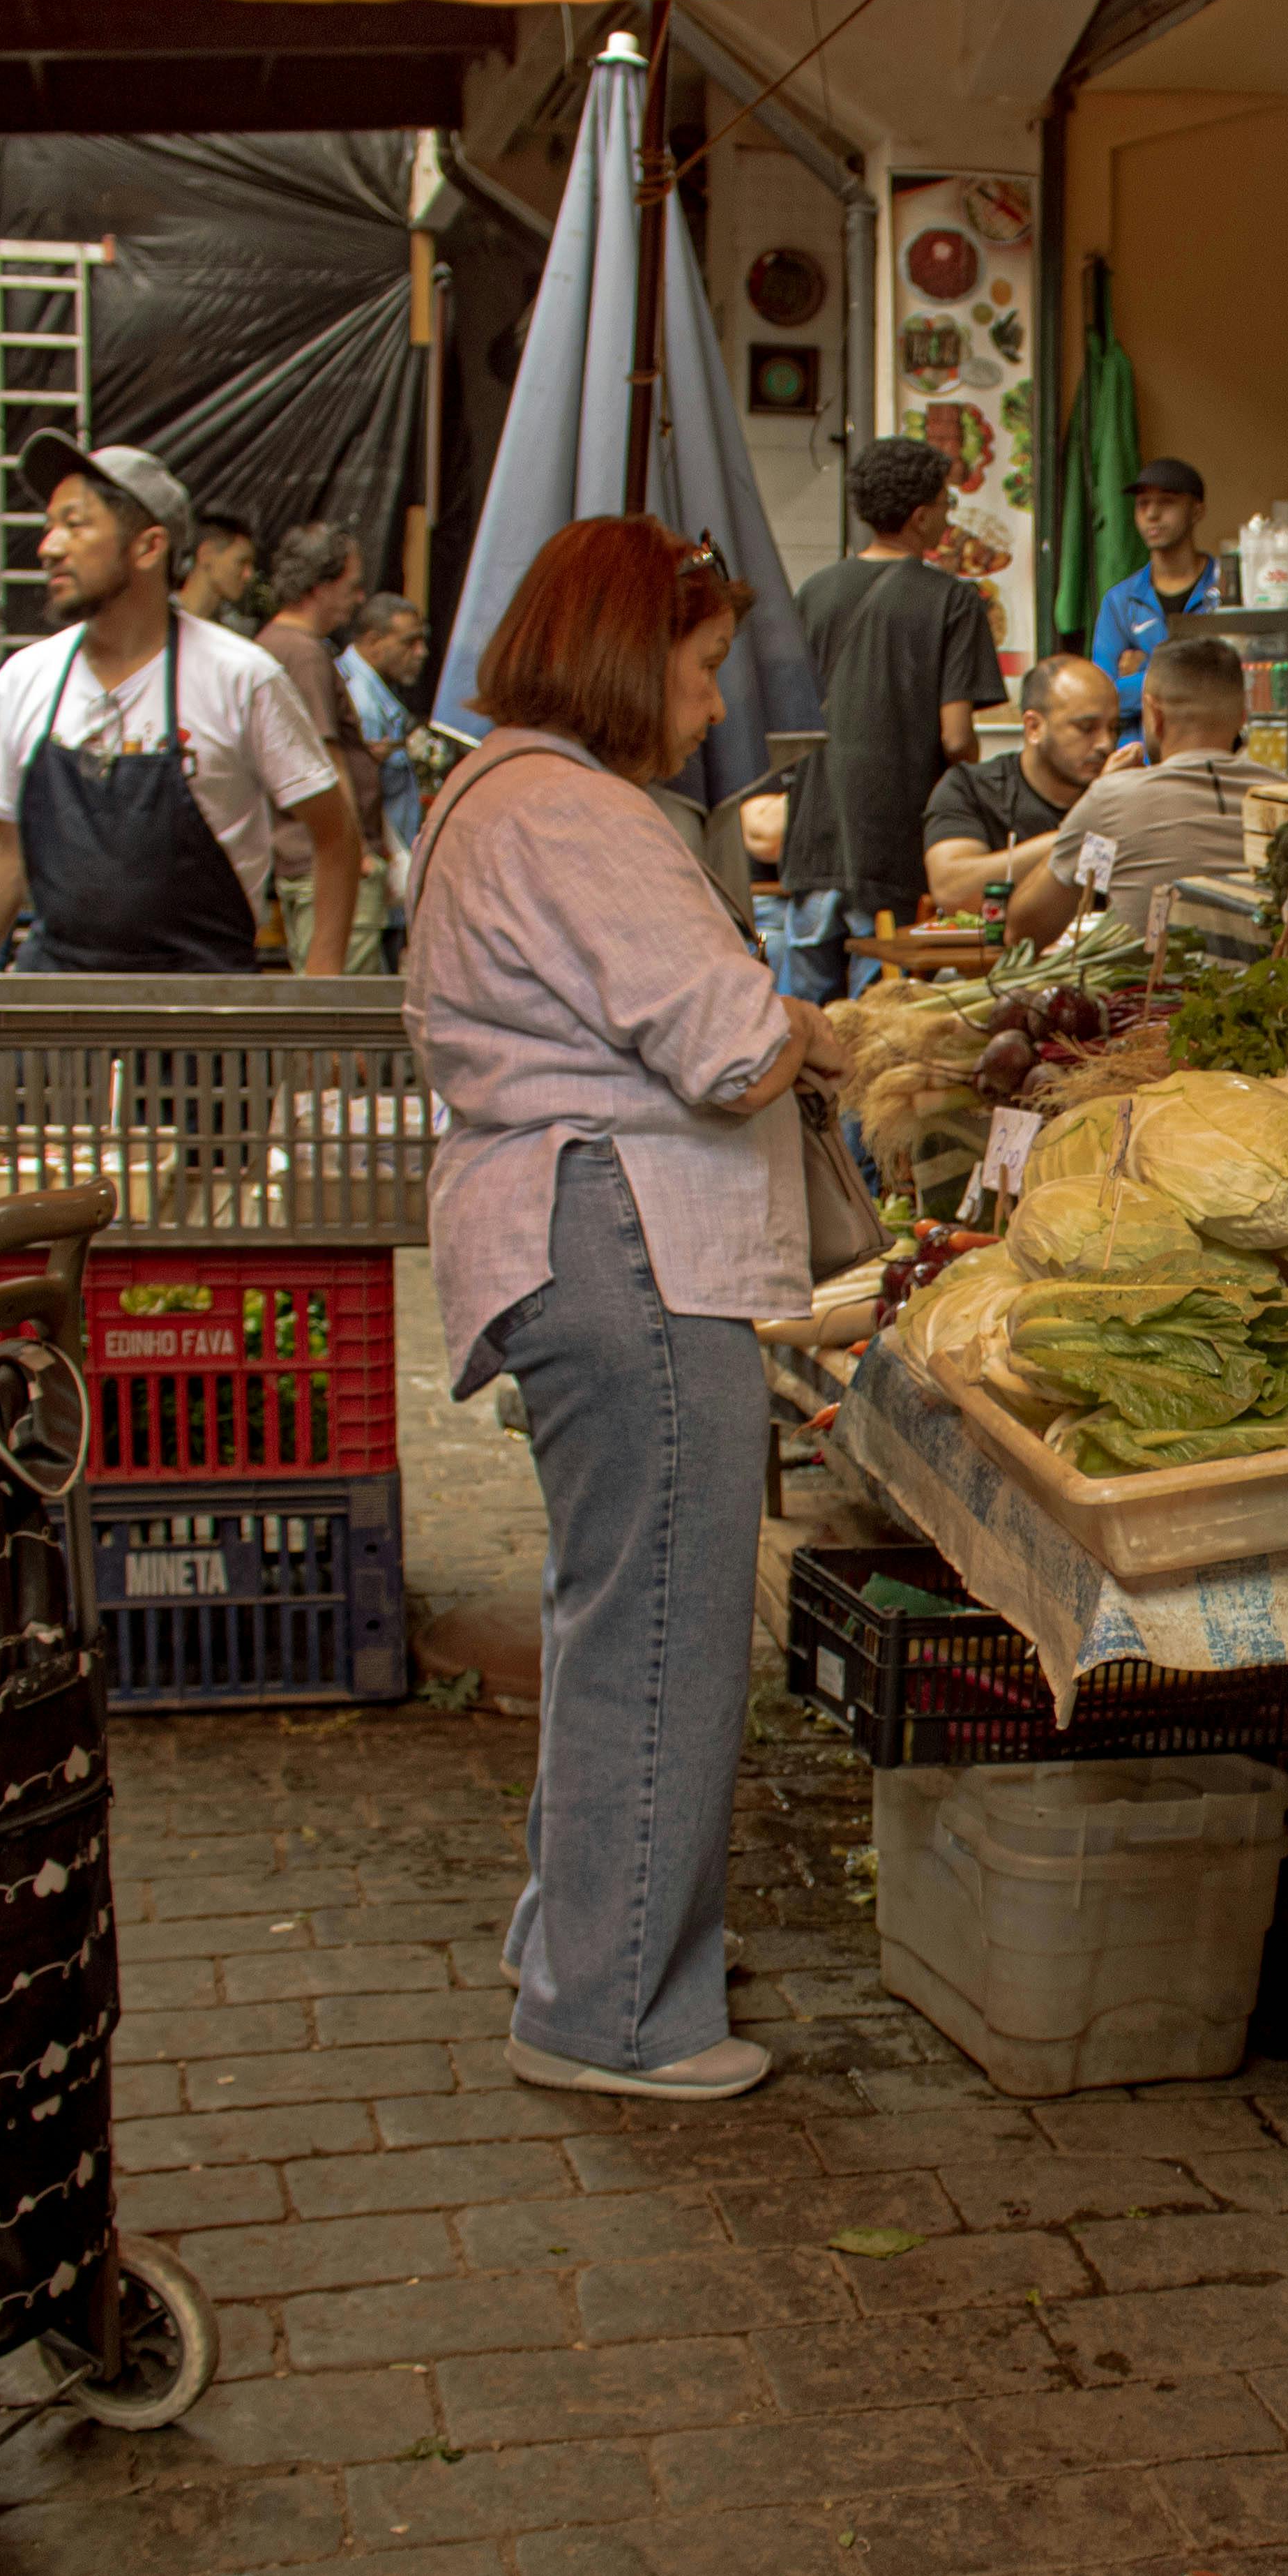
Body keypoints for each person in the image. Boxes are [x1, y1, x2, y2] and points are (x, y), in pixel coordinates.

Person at [404, 513, 842, 2101]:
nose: (716, 703)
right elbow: (726, 1044)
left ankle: (581, 1953)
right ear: (623, 651)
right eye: (706, 664)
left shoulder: (492, 792)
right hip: (624, 1238)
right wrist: (819, 1031)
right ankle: (615, 2019)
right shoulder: (573, 811)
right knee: (661, 1624)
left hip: (570, 1233)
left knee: (617, 1621)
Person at [0, 439, 356, 978]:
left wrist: (321, 988)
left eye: (75, 524)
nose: (49, 547)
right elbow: (0, 847)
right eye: (50, 526)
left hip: (204, 1011)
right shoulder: (26, 679)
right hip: (58, 1012)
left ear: (148, 548)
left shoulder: (241, 678)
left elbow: (336, 834)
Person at [790, 435, 1006, 997]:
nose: (946, 517)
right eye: (944, 504)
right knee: (879, 1031)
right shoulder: (954, 601)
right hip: (895, 847)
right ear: (919, 516)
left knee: (805, 1021)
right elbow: (957, 738)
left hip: (812, 838)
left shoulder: (813, 592)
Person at [1005, 633, 1283, 947]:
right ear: (1242, 718)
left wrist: (1097, 806)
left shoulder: (1111, 799)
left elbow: (1023, 933)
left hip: (1152, 994)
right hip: (1275, 994)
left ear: (1155, 716)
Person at [252, 522, 393, 975]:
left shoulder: (271, 645)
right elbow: (325, 761)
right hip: (327, 866)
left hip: (301, 858)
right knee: (343, 1009)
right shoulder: (305, 654)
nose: (357, 600)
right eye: (350, 588)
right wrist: (357, 853)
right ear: (319, 585)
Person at [922, 654, 1116, 914]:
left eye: (1115, 728)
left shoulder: (1123, 795)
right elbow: (952, 890)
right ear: (1034, 727)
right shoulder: (972, 788)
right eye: (1087, 728)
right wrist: (1075, 837)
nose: (1106, 744)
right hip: (998, 953)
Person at [1093, 456, 1222, 745]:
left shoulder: (1225, 590)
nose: (1152, 514)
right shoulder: (1120, 600)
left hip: (1208, 755)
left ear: (1197, 511)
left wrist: (1145, 669)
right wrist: (1186, 676)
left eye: (1167, 502)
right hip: (1139, 761)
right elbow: (1103, 696)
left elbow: (1229, 684)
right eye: (1142, 504)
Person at [345, 592, 429, 849]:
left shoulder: (373, 689)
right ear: (374, 643)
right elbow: (363, 794)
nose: (421, 652)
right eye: (409, 643)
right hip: (379, 850)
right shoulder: (363, 703)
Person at [179, 513, 261, 633]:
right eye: (241, 562)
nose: (248, 575)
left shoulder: (229, 633)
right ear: (206, 554)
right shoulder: (159, 617)